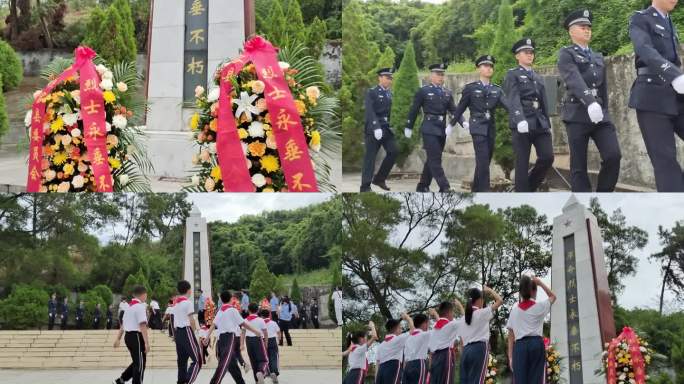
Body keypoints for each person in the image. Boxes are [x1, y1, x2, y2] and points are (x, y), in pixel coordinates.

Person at [558, 9, 621, 192]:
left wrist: (604, 109)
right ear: (571, 31)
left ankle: (603, 195)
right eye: (582, 27)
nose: (587, 30)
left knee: (613, 156)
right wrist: (589, 101)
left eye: (589, 27)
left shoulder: (597, 56)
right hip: (577, 114)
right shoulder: (566, 54)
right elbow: (573, 78)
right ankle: (583, 202)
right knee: (579, 166)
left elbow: (603, 87)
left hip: (599, 115)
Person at [628, 0, 684, 191]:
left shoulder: (669, 22)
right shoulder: (640, 18)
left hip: (676, 96)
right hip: (652, 98)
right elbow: (645, 50)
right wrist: (675, 75)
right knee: (665, 162)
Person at [451, 55, 522, 192]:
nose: (489, 68)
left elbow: (509, 106)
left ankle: (476, 189)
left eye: (491, 66)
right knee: (483, 160)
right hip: (477, 127)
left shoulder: (497, 89)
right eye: (485, 66)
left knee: (485, 160)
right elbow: (460, 108)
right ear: (478, 68)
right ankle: (484, 191)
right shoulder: (470, 88)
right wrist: (451, 124)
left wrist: (521, 118)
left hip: (490, 128)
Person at [504, 38, 555, 192]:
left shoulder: (537, 77)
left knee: (547, 157)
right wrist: (519, 119)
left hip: (539, 123)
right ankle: (522, 193)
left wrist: (547, 123)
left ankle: (530, 186)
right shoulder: (512, 75)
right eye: (526, 52)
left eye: (531, 52)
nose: (530, 55)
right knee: (522, 163)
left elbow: (544, 101)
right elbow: (513, 98)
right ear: (517, 56)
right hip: (522, 123)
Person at [406, 63, 461, 192]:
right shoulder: (423, 91)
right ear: (431, 76)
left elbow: (454, 110)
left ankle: (423, 185)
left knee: (433, 158)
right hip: (429, 128)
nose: (441, 77)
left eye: (442, 74)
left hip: (441, 129)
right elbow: (414, 109)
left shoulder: (447, 92)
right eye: (438, 74)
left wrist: (462, 122)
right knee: (435, 159)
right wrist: (409, 126)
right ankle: (445, 186)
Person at [506, 276, 556, 384]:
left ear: (520, 292)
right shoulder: (540, 306)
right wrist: (540, 283)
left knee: (520, 380)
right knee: (537, 379)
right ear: (533, 291)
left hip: (519, 347)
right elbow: (553, 296)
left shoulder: (514, 312)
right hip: (536, 345)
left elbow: (510, 336)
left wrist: (510, 357)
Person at [205, 291, 262, 384]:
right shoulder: (232, 310)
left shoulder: (220, 310)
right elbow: (243, 323)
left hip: (221, 339)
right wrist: (255, 331)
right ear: (231, 299)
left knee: (232, 364)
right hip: (229, 337)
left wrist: (207, 337)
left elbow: (213, 325)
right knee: (224, 363)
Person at [361, 67, 398, 192]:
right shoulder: (372, 92)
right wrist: (376, 127)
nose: (389, 80)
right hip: (373, 129)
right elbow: (370, 111)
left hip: (386, 128)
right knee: (370, 157)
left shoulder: (389, 93)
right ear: (380, 78)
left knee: (394, 151)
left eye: (390, 78)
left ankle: (379, 179)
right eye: (387, 78)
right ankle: (365, 186)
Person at [459, 286, 503, 384]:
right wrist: (489, 290)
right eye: (482, 299)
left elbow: (461, 341)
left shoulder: (462, 319)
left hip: (465, 352)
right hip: (478, 350)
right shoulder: (482, 313)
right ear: (479, 300)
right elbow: (500, 300)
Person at [113, 285, 150, 384]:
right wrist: (146, 343)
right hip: (136, 337)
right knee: (140, 364)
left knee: (137, 362)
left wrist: (118, 339)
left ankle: (121, 380)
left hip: (128, 337)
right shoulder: (140, 307)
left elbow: (123, 325)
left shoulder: (129, 307)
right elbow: (142, 325)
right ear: (144, 295)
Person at [428, 299, 464, 384]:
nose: (453, 315)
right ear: (449, 312)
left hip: (435, 358)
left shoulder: (435, 328)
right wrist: (459, 305)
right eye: (453, 312)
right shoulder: (451, 325)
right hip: (445, 356)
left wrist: (434, 313)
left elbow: (440, 321)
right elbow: (467, 319)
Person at [174, 280, 202, 384]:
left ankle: (181, 381)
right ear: (189, 290)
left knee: (182, 362)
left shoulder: (175, 304)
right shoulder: (187, 303)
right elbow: (191, 319)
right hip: (187, 331)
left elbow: (174, 322)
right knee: (198, 360)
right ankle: (188, 381)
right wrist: (194, 332)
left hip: (178, 333)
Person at [375, 313, 414, 384]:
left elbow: (377, 363)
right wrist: (408, 318)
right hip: (393, 367)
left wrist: (376, 379)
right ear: (396, 328)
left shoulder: (381, 345)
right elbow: (413, 330)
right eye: (400, 328)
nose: (401, 330)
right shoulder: (398, 339)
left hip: (381, 370)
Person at [244, 303, 270, 384]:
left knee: (253, 361)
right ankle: (261, 372)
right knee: (264, 360)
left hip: (248, 341)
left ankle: (257, 380)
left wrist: (241, 344)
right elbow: (265, 333)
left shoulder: (245, 320)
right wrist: (266, 343)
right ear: (258, 310)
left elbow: (242, 333)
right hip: (258, 340)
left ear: (248, 310)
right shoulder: (260, 320)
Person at [402, 313, 431, 384]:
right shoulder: (425, 335)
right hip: (419, 364)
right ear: (424, 323)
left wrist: (408, 318)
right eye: (428, 323)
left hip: (407, 366)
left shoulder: (408, 338)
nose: (428, 326)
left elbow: (405, 358)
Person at [260, 309, 282, 382]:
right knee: (274, 357)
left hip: (263, 341)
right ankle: (274, 372)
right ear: (269, 315)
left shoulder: (260, 323)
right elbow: (278, 332)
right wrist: (279, 340)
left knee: (265, 358)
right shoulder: (273, 323)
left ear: (262, 316)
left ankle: (267, 372)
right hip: (272, 341)